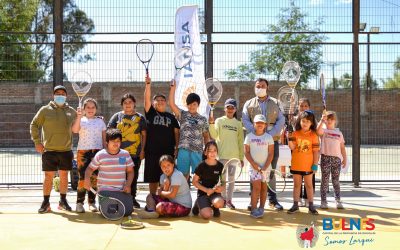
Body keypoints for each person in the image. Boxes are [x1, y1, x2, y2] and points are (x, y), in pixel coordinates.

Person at [30, 85, 77, 213]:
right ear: (53, 95)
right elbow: (34, 124)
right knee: (48, 177)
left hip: (66, 150)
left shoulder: (72, 111)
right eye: (57, 93)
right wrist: (37, 142)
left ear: (66, 96)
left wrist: (87, 116)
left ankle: (63, 201)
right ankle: (46, 203)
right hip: (49, 151)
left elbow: (79, 125)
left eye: (62, 93)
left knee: (63, 176)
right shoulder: (45, 110)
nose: (60, 95)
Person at [242, 78, 285, 210]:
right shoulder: (248, 104)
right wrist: (257, 132)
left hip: (272, 141)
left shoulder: (276, 102)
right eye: (257, 86)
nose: (259, 88)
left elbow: (281, 119)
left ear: (267, 88)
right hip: (254, 142)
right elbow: (245, 119)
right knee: (254, 170)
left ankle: (272, 200)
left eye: (262, 86)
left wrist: (268, 136)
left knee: (270, 170)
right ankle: (253, 200)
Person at [108, 94, 147, 208]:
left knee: (133, 177)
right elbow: (109, 133)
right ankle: (119, 200)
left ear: (134, 103)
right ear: (122, 105)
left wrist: (143, 150)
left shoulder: (140, 118)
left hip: (134, 154)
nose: (128, 104)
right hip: (119, 154)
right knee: (120, 177)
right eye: (125, 102)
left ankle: (132, 198)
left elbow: (144, 135)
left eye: (130, 102)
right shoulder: (117, 116)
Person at [84, 128, 134, 216]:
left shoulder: (125, 154)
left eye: (118, 141)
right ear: (107, 142)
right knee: (110, 213)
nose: (116, 143)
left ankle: (112, 206)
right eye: (113, 141)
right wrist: (87, 179)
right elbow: (89, 169)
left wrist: (128, 185)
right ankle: (104, 206)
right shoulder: (101, 155)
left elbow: (130, 171)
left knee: (128, 212)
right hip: (105, 191)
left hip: (121, 191)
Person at [144, 76, 180, 194]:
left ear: (166, 103)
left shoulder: (171, 117)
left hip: (167, 152)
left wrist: (177, 148)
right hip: (152, 152)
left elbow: (176, 133)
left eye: (162, 100)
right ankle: (153, 198)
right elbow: (147, 99)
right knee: (153, 178)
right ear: (153, 103)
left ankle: (163, 198)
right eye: (157, 100)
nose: (160, 101)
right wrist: (148, 85)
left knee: (165, 177)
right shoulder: (150, 113)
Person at [169, 80, 210, 180]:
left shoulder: (203, 119)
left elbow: (206, 136)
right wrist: (172, 88)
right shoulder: (182, 114)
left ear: (198, 105)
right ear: (187, 105)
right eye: (189, 104)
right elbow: (171, 104)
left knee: (199, 176)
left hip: (197, 150)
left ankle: (201, 195)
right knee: (183, 176)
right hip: (183, 150)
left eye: (194, 104)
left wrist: (208, 150)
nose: (191, 106)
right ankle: (182, 195)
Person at [71, 98, 106, 213]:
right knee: (82, 179)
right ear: (84, 109)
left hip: (97, 152)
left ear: (96, 109)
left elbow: (104, 139)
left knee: (94, 178)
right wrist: (79, 116)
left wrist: (104, 152)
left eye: (93, 107)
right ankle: (79, 203)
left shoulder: (101, 122)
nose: (90, 109)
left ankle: (92, 203)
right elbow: (75, 130)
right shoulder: (81, 120)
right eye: (88, 107)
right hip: (83, 153)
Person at [209, 98, 244, 209]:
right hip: (222, 157)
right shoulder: (219, 121)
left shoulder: (238, 124)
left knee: (231, 180)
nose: (230, 109)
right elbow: (214, 135)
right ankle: (223, 200)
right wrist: (211, 123)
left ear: (235, 109)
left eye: (232, 107)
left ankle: (229, 200)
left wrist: (241, 158)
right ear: (225, 108)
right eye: (228, 107)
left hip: (234, 158)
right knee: (222, 180)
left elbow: (240, 142)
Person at [287, 111, 320, 215]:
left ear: (311, 123)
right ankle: (295, 205)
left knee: (309, 185)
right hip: (296, 164)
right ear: (300, 121)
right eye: (303, 121)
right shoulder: (295, 133)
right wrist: (289, 138)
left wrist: (315, 164)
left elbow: (316, 152)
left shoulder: (314, 135)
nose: (305, 123)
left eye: (307, 121)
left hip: (308, 166)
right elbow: (292, 147)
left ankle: (311, 205)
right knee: (296, 185)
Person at [244, 114, 274, 218]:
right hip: (253, 169)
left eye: (262, 122)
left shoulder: (269, 137)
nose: (260, 124)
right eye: (257, 123)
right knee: (256, 187)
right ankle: (253, 209)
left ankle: (261, 208)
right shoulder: (249, 137)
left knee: (264, 188)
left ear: (265, 125)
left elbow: (271, 154)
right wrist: (254, 164)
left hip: (266, 168)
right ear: (254, 124)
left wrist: (265, 167)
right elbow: (246, 152)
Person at [317, 111, 347, 209]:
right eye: (327, 119)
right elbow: (317, 131)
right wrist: (322, 120)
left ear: (335, 121)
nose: (329, 121)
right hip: (325, 158)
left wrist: (345, 159)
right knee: (324, 181)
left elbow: (342, 147)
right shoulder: (324, 132)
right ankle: (323, 201)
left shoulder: (339, 133)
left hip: (336, 160)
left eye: (331, 119)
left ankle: (338, 200)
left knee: (336, 181)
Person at [289, 98, 315, 207]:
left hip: (309, 152)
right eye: (301, 106)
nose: (303, 108)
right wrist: (291, 104)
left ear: (309, 107)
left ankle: (308, 199)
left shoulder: (311, 119)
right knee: (297, 178)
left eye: (305, 106)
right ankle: (298, 198)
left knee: (310, 179)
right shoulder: (296, 118)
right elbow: (289, 117)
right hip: (296, 149)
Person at [192, 141, 225, 219]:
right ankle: (197, 203)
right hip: (203, 194)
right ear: (205, 152)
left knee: (220, 203)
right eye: (210, 151)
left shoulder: (220, 166)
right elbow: (194, 181)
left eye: (215, 150)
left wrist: (221, 188)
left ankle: (215, 207)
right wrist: (206, 190)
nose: (212, 153)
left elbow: (224, 182)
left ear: (217, 152)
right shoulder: (201, 166)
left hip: (215, 194)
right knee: (207, 215)